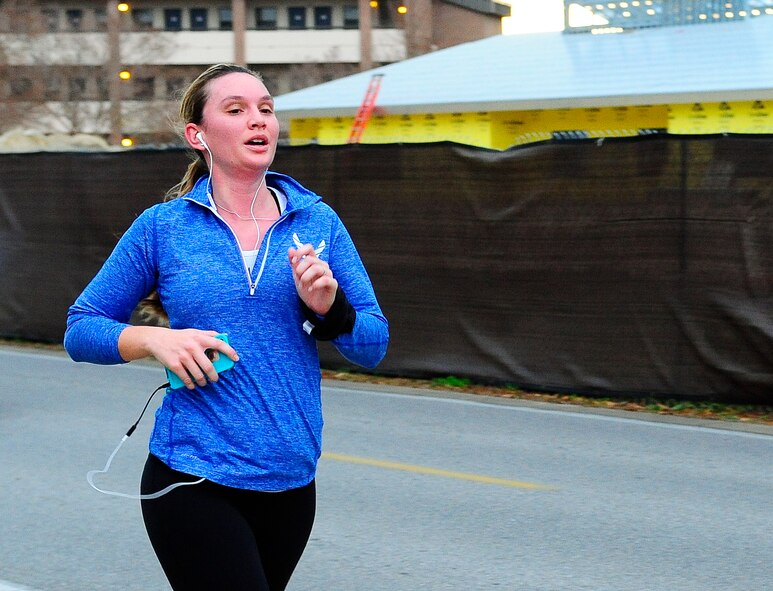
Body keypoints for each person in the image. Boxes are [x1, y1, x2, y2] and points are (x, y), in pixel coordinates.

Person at [64, 63, 389, 591]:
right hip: (192, 476)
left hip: (291, 479)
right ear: (199, 135)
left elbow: (373, 345)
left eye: (265, 108)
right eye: (235, 110)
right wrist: (155, 339)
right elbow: (81, 328)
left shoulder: (317, 222)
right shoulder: (162, 227)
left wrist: (331, 307)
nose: (257, 120)